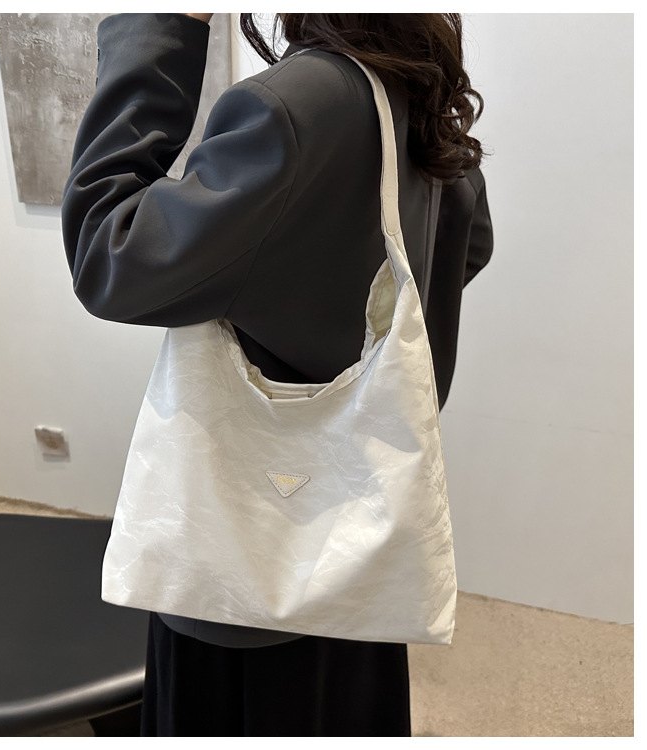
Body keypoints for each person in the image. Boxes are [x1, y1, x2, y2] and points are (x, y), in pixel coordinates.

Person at [62, 12, 493, 737]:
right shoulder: (413, 81)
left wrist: (159, 30)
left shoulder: (291, 103)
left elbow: (111, 256)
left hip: (244, 576)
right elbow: (467, 246)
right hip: (363, 532)